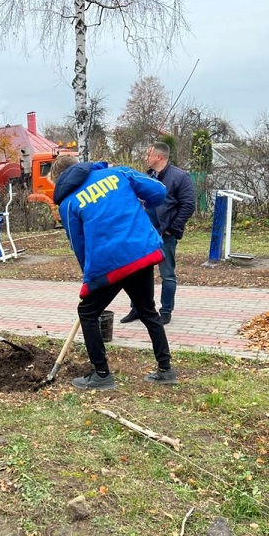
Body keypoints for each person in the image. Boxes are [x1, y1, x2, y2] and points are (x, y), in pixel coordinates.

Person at [48, 154, 179, 389]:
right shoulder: (118, 173)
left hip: (110, 265)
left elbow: (79, 247)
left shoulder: (68, 204)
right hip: (141, 253)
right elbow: (159, 192)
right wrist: (141, 202)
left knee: (87, 312)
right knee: (148, 310)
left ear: (59, 180)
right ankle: (166, 369)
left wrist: (89, 282)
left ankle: (101, 374)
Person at [120, 142, 196, 326]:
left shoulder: (180, 177)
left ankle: (166, 311)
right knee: (138, 273)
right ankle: (138, 308)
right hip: (144, 235)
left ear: (159, 157)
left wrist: (172, 229)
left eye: (149, 154)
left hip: (165, 235)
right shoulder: (147, 177)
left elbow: (188, 205)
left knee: (167, 274)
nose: (146, 157)